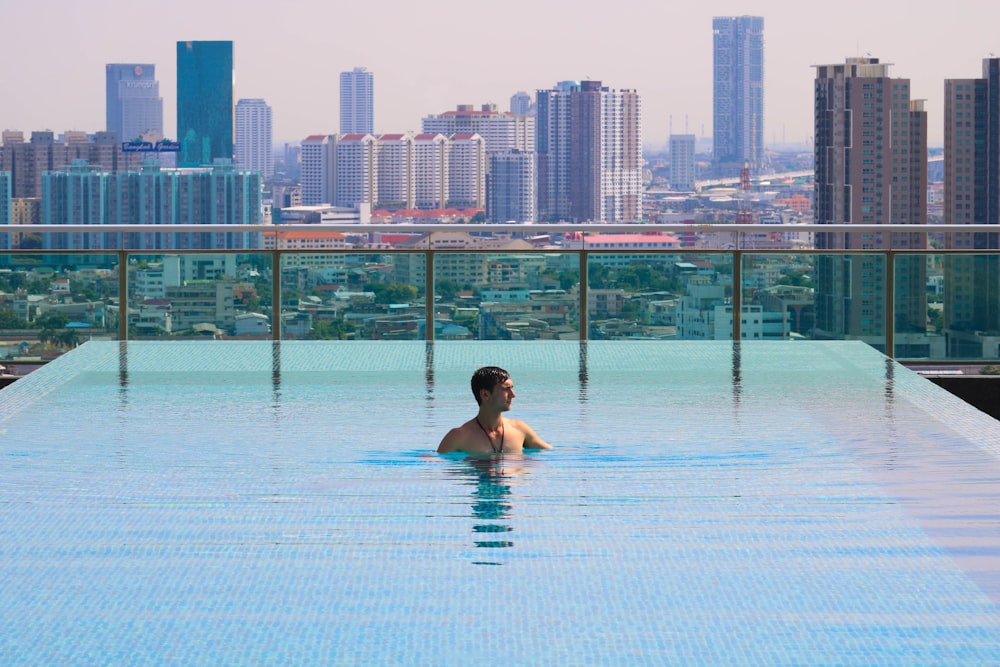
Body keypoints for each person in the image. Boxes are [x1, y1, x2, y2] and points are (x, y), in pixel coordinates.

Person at [437, 366, 551, 456]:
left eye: (512, 388)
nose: (513, 395)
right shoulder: (459, 436)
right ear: (485, 394)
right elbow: (437, 465)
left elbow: (551, 454)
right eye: (506, 389)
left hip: (513, 484)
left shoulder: (519, 429)